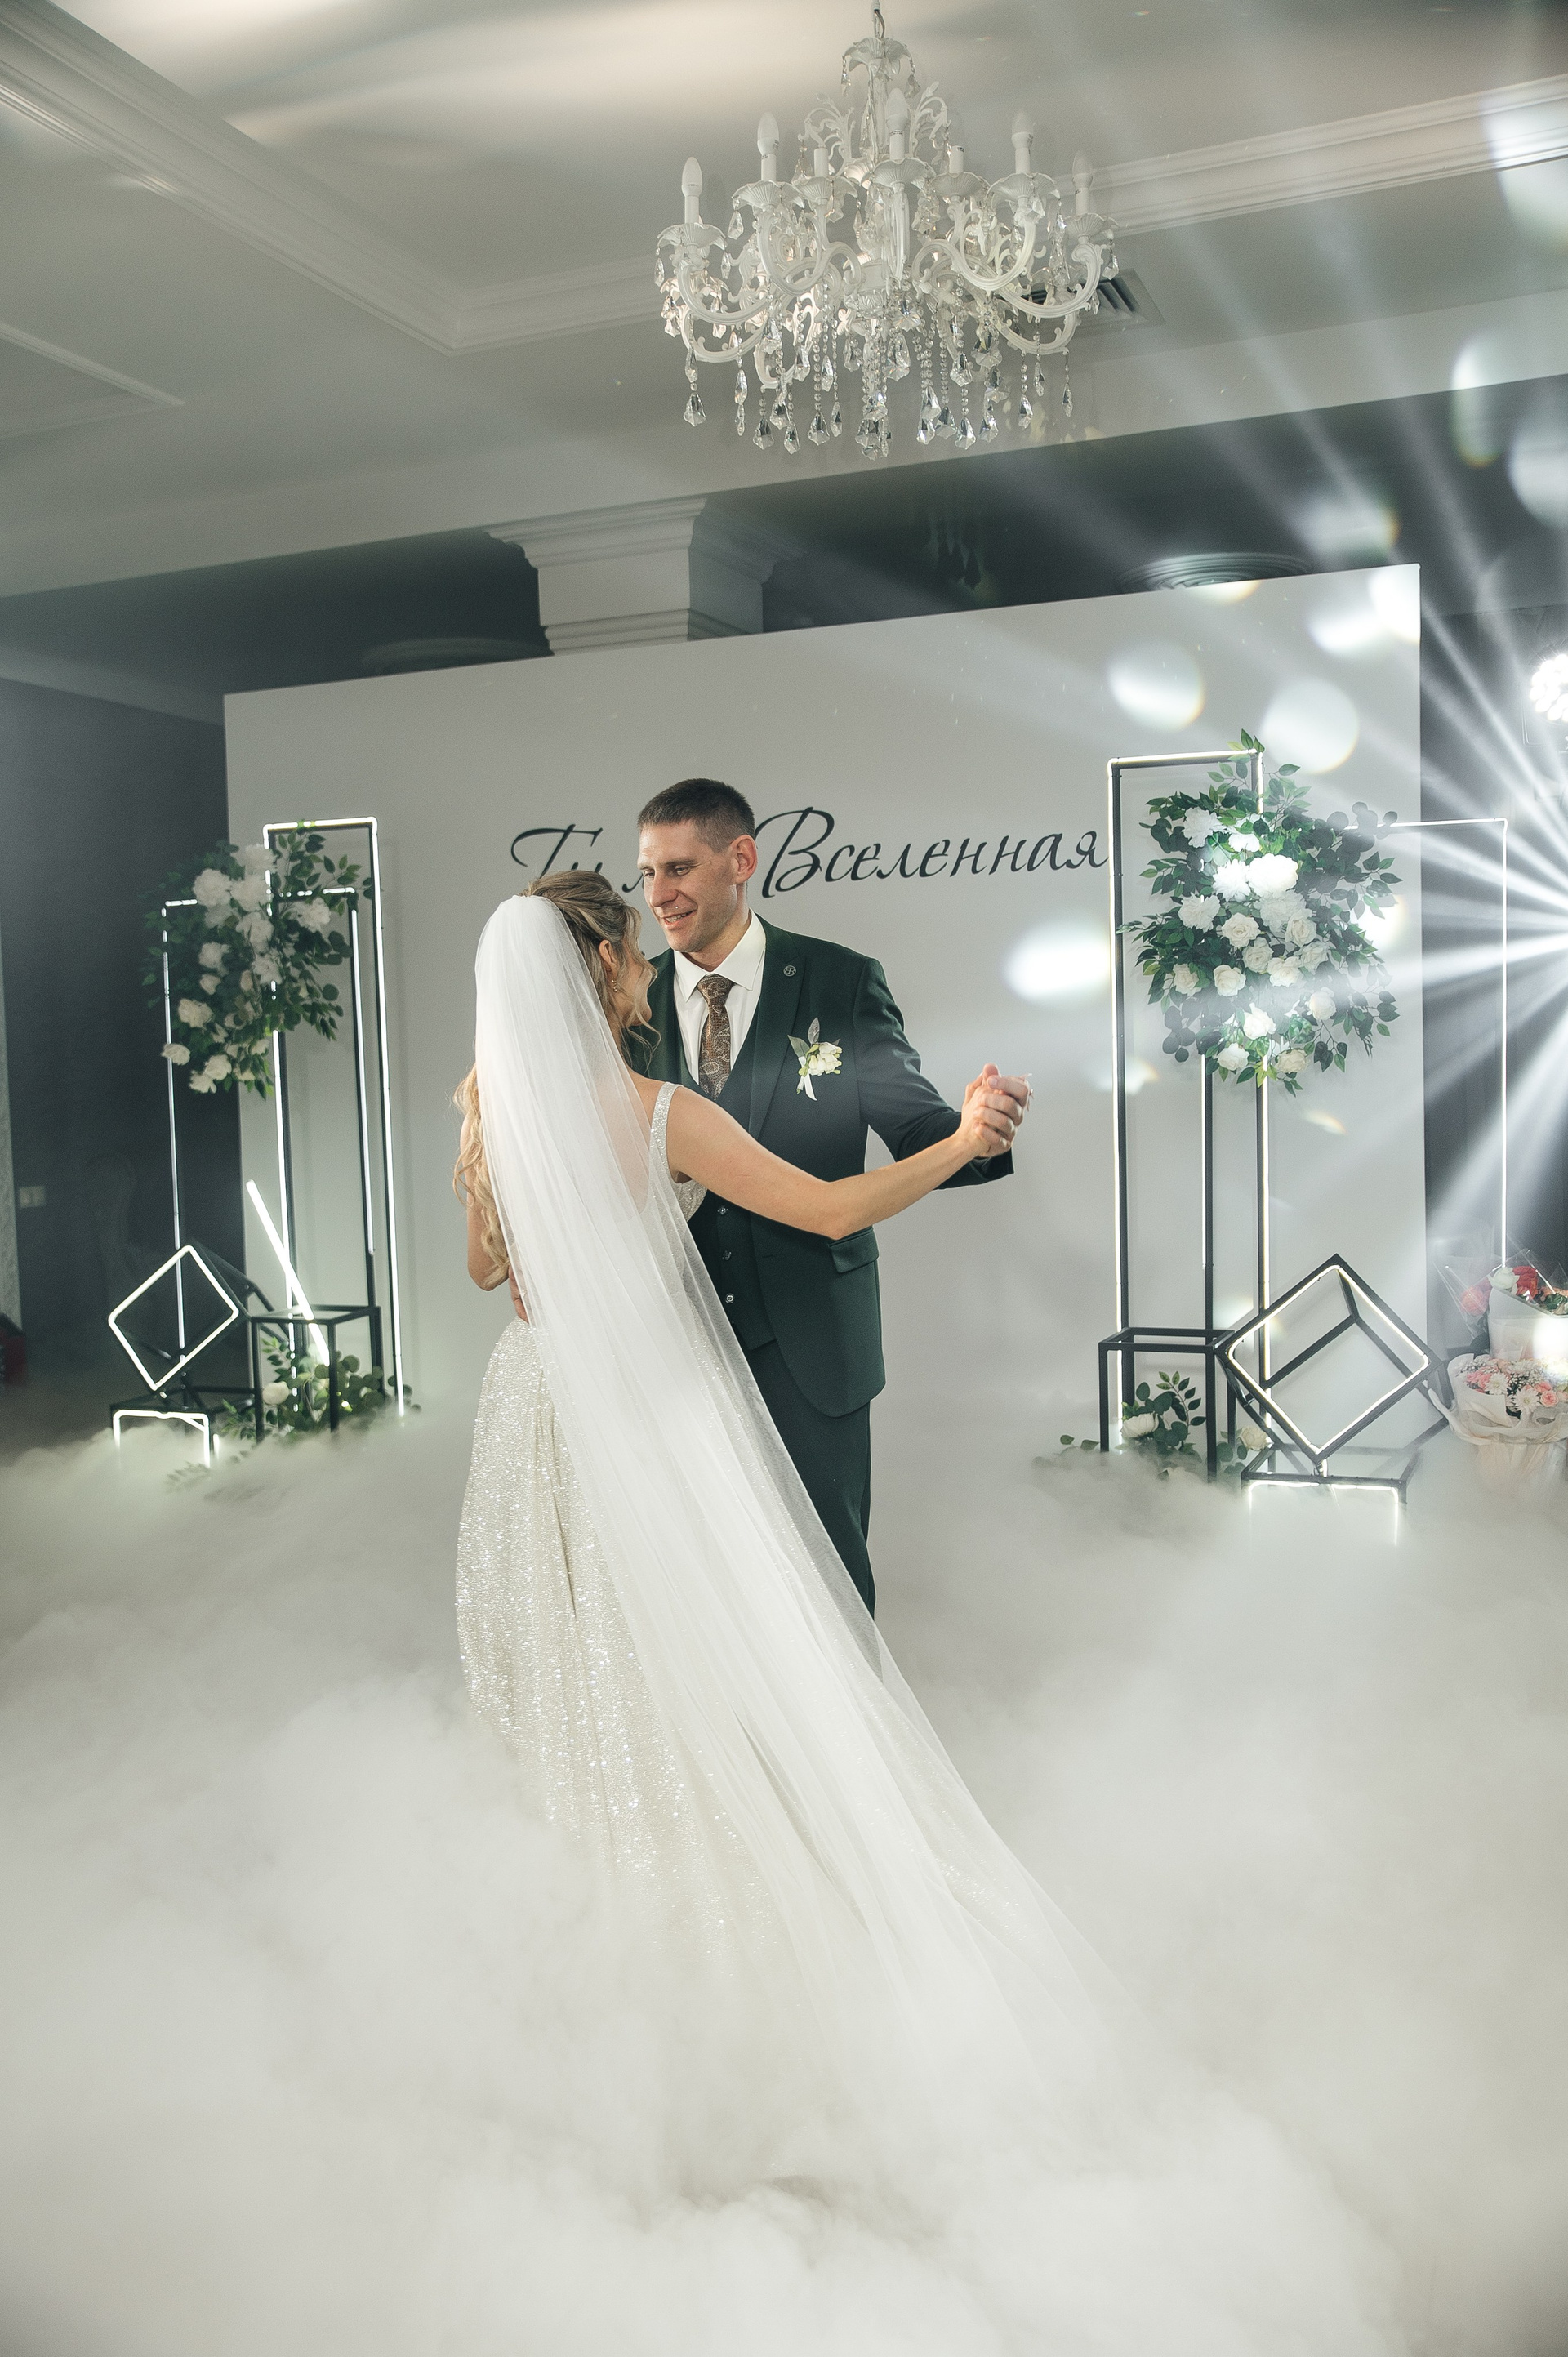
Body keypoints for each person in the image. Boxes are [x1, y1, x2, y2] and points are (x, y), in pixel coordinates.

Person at [452, 874, 1103, 2156]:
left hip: (535, 1407)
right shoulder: (659, 1111)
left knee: (580, 1650)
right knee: (704, 1656)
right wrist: (962, 1142)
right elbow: (829, 1207)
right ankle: (731, 1919)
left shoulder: (489, 1109)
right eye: (629, 950)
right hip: (644, 1407)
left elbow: (487, 1269)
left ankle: (598, 1924)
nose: (643, 968)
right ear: (603, 971)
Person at [633, 777, 1030, 1615]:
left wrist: (978, 1131)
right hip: (671, 1334)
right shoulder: (626, 1001)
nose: (658, 895)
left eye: (679, 868)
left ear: (740, 859)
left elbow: (916, 1128)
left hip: (813, 1336)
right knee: (694, 1578)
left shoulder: (839, 982)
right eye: (647, 873)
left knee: (827, 1574)